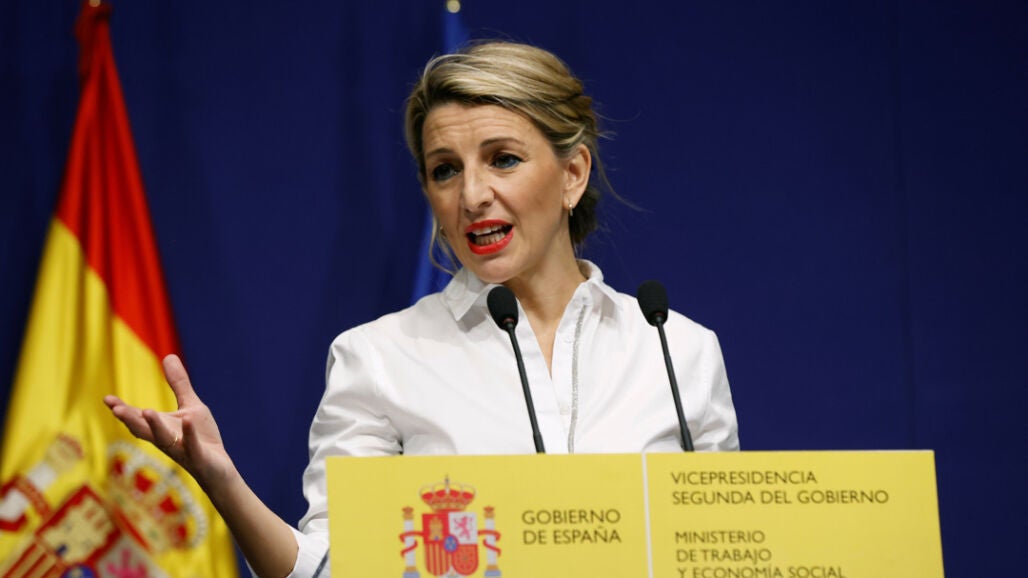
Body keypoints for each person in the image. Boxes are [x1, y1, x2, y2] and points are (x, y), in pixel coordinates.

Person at [104, 40, 738, 578]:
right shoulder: (379, 358)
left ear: (573, 173)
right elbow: (331, 567)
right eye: (445, 170)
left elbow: (728, 553)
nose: (472, 195)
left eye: (503, 159)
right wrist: (223, 482)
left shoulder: (678, 351)